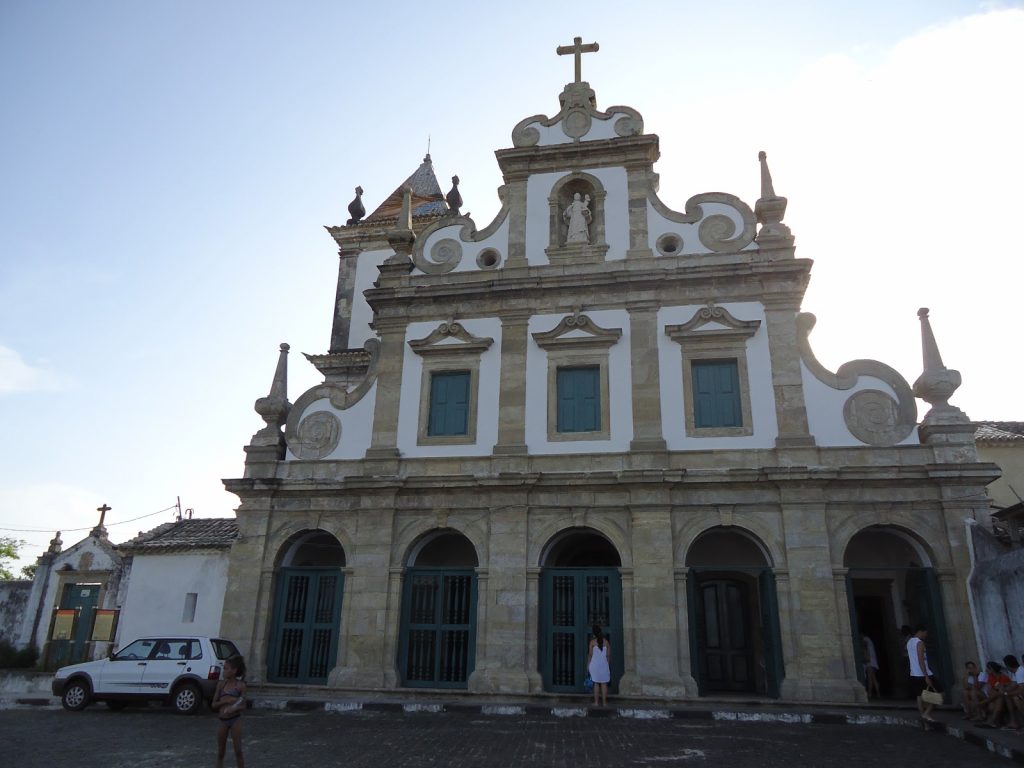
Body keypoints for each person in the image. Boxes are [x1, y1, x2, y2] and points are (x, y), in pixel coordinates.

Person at [212, 654, 247, 768]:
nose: (224, 671)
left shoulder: (240, 685)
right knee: (220, 753)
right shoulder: (221, 685)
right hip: (223, 720)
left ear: (234, 671)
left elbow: (243, 705)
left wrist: (235, 706)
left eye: (226, 669)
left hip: (235, 720)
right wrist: (226, 701)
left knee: (238, 751)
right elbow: (213, 704)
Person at [906, 625, 939, 722]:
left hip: (914, 673)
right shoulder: (919, 643)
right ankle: (927, 713)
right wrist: (926, 676)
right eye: (926, 633)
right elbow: (921, 659)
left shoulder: (909, 642)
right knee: (938, 694)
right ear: (921, 631)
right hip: (922, 673)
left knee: (919, 696)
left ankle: (923, 717)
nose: (926, 635)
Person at [587, 624, 611, 707]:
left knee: (596, 683)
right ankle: (604, 702)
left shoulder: (592, 642)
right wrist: (607, 664)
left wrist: (588, 665)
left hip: (594, 665)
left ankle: (596, 702)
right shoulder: (606, 642)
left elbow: (590, 655)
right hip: (604, 665)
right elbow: (608, 655)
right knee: (604, 684)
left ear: (594, 633)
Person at [862, 634, 881, 699]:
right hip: (873, 661)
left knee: (870, 678)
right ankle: (878, 693)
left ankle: (869, 693)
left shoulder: (865, 640)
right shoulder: (870, 641)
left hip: (869, 661)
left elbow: (865, 650)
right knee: (873, 678)